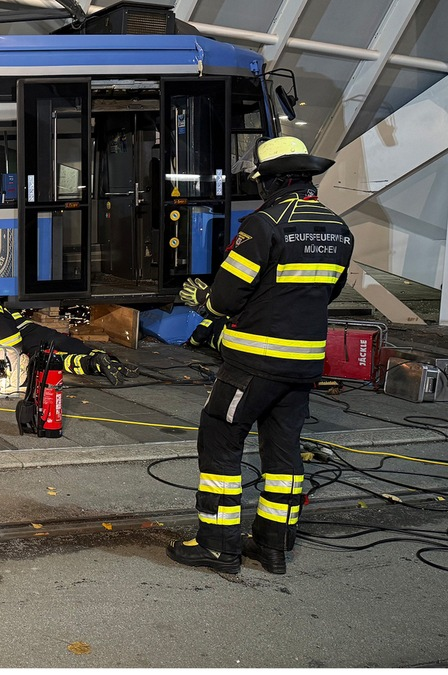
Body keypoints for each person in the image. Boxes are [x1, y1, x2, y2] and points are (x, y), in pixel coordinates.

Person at [166, 136, 354, 575]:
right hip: (304, 363)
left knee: (220, 437)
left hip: (254, 362)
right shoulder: (338, 228)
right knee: (284, 451)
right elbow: (328, 293)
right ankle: (273, 545)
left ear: (272, 180)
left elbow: (227, 298)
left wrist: (202, 301)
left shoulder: (264, 224)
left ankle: (217, 544)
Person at [9, 309, 128, 385]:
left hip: (23, 339)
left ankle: (93, 364)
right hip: (36, 329)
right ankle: (111, 361)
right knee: (67, 342)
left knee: (50, 359)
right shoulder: (4, 308)